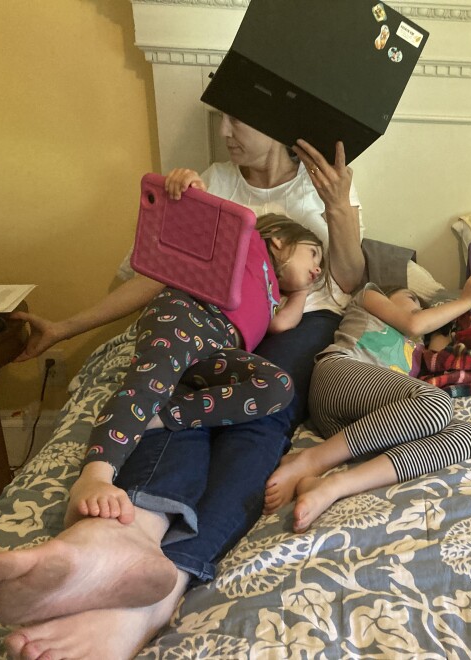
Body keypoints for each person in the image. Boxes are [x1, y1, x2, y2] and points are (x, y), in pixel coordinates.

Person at [0, 116, 365, 659]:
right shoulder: (212, 182)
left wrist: (339, 208)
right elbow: (157, 276)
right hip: (207, 322)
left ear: (276, 120)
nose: (225, 129)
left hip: (298, 324)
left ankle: (158, 593)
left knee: (259, 422)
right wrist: (64, 328)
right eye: (219, 115)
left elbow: (348, 280)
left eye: (237, 117)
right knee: (174, 403)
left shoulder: (320, 187)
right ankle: (121, 537)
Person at [68, 214, 324, 528]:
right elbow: (203, 224)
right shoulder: (249, 245)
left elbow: (282, 324)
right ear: (279, 240)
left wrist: (299, 293)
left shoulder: (274, 296)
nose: (318, 267)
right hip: (185, 315)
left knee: (277, 386)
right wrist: (189, 187)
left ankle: (157, 417)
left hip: (218, 346)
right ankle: (96, 473)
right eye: (313, 253)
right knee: (150, 381)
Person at [264, 273, 471, 532]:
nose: (418, 308)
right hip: (339, 377)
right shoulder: (368, 295)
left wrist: (449, 329)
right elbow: (415, 324)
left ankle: (334, 486)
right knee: (437, 403)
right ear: (389, 295)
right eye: (411, 300)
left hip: (363, 430)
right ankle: (311, 460)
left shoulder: (418, 347)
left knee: (465, 436)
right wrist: (465, 299)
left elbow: (440, 350)